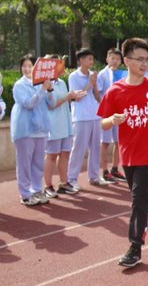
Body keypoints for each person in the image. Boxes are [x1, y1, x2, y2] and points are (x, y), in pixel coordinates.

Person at [97, 38, 148, 268]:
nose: (145, 64)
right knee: (142, 195)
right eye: (140, 59)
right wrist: (112, 119)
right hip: (128, 152)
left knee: (138, 200)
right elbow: (102, 123)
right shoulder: (116, 91)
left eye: (147, 59)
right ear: (126, 61)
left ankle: (135, 247)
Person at [11, 55, 55, 206]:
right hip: (25, 130)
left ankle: (36, 190)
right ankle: (25, 194)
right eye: (25, 66)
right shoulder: (19, 85)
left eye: (30, 66)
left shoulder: (40, 83)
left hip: (41, 129)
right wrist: (42, 90)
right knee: (24, 163)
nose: (27, 69)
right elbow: (29, 104)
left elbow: (52, 103)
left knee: (38, 163)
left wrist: (49, 90)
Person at [67, 48, 110, 190]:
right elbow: (77, 97)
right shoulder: (73, 76)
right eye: (88, 59)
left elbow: (97, 97)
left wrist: (95, 85)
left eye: (92, 59)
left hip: (94, 115)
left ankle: (94, 176)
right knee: (78, 148)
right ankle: (71, 179)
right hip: (81, 117)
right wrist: (90, 84)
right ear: (80, 60)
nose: (90, 62)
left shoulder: (93, 75)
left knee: (95, 148)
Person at [44, 54, 83, 197]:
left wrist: (73, 98)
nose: (62, 66)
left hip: (66, 123)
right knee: (51, 156)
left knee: (65, 154)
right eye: (58, 64)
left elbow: (64, 101)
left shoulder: (61, 82)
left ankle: (64, 182)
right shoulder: (45, 83)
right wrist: (67, 97)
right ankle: (48, 185)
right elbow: (51, 104)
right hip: (53, 125)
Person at [97, 48, 125, 183]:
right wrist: (105, 109)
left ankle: (115, 168)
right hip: (107, 115)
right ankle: (104, 171)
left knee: (118, 141)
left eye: (118, 59)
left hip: (119, 113)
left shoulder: (121, 75)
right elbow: (97, 94)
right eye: (112, 58)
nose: (115, 61)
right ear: (107, 59)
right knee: (105, 143)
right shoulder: (102, 75)